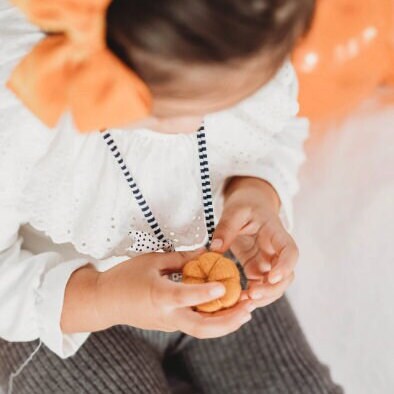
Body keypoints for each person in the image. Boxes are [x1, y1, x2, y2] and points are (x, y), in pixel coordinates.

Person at [0, 0, 343, 393]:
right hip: (63, 308)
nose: (202, 124)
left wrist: (256, 190)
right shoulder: (20, 104)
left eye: (228, 103)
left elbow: (275, 129)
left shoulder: (241, 31)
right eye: (182, 109)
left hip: (213, 254)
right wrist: (102, 296)